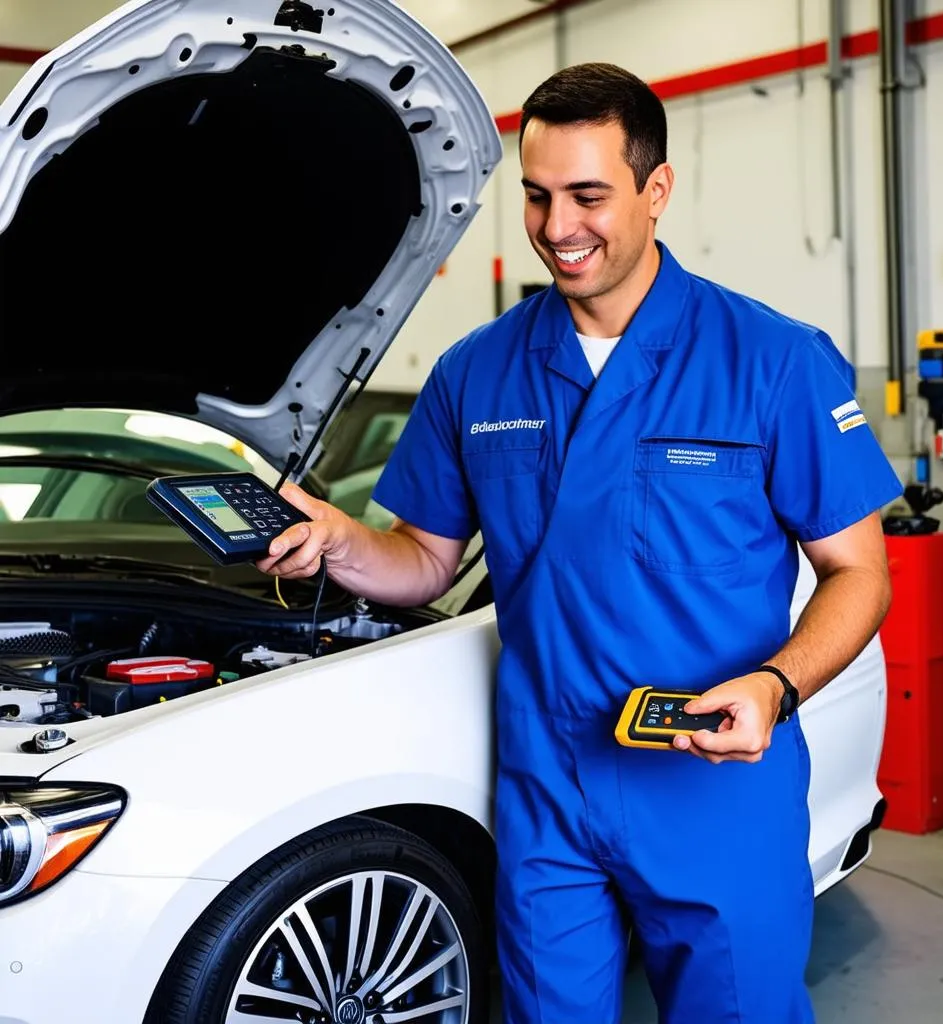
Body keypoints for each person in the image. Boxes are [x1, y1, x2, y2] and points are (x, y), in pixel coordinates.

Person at [257, 62, 903, 1024]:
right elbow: (425, 561)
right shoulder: (477, 372)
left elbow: (860, 574)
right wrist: (342, 541)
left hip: (715, 781)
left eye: (590, 195)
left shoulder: (772, 361)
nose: (559, 228)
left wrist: (778, 686)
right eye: (538, 195)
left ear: (656, 189)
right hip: (546, 789)